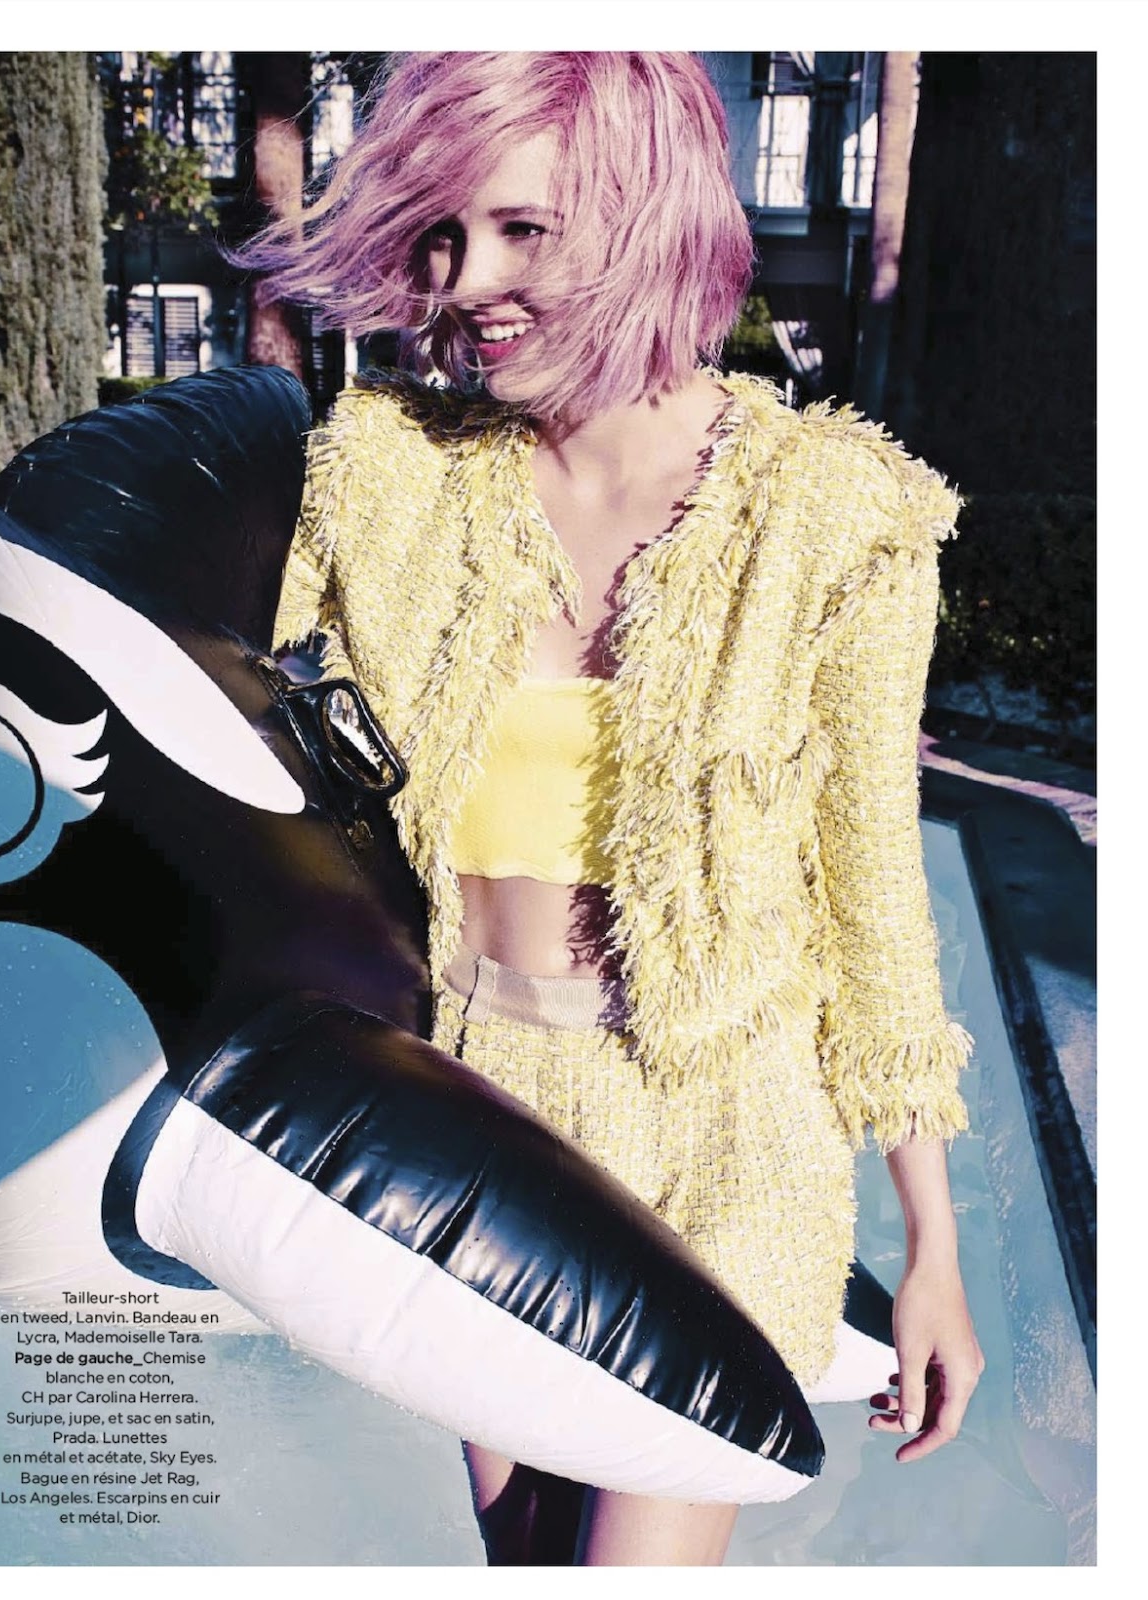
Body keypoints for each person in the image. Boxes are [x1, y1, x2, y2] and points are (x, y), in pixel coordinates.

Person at [254, 51, 985, 1567]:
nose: (467, 284)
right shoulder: (384, 477)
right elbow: (253, 754)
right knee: (526, 1558)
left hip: (730, 1123)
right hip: (473, 1101)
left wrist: (932, 1246)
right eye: (441, 236)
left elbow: (871, 894)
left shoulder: (833, 517)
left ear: (646, 213)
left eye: (523, 229)